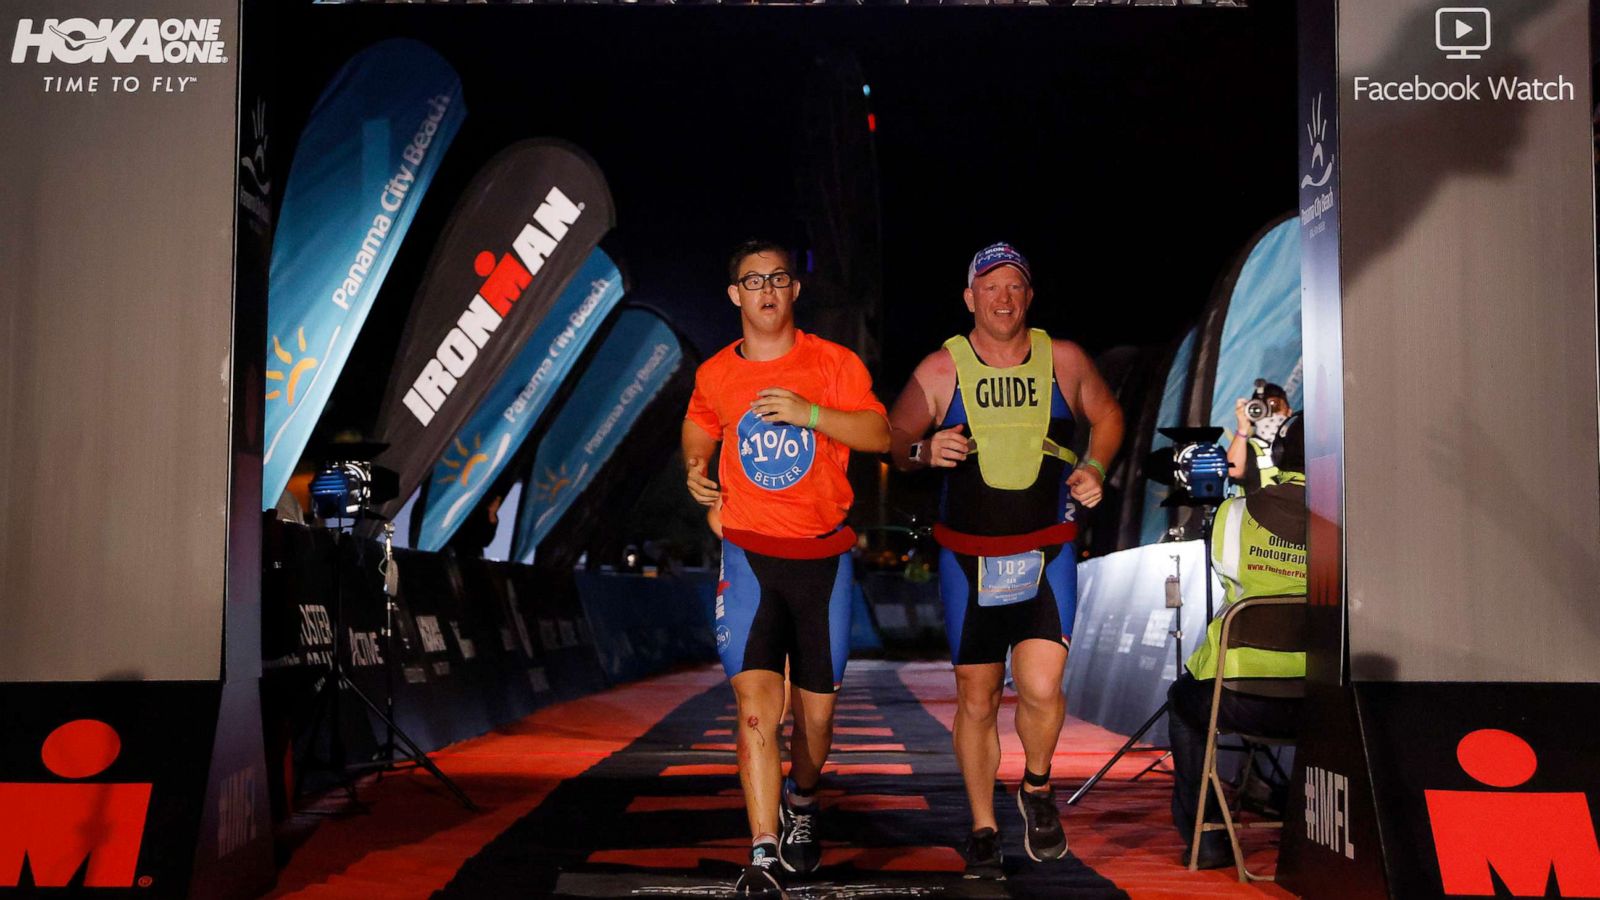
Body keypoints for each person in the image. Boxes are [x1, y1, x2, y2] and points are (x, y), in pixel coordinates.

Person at [888, 242, 1124, 876]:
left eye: (1015, 287)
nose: (1003, 298)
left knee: (1044, 689)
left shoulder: (1065, 359)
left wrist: (1096, 466)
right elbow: (892, 439)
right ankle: (985, 826)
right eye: (990, 287)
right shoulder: (942, 368)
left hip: (1047, 552)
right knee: (978, 697)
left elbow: (1107, 417)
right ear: (970, 298)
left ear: (1029, 297)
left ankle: (1038, 789)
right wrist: (921, 452)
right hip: (969, 560)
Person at [682, 238, 890, 897]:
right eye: (753, 281)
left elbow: (881, 436)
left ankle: (803, 800)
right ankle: (763, 853)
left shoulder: (834, 364)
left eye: (778, 278)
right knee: (754, 714)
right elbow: (699, 423)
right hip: (748, 557)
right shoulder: (716, 373)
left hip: (822, 561)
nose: (767, 290)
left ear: (794, 290)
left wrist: (812, 415)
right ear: (734, 295)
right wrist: (695, 466)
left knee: (816, 721)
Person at [1167, 412, 1307, 869]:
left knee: (1182, 702)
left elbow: (1228, 577)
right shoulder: (1353, 517)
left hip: (1237, 696)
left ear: (1280, 453)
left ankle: (1205, 840)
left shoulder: (1235, 513)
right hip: (1323, 703)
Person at [1226, 380, 1292, 493]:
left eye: (1276, 406)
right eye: (1264, 409)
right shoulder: (1249, 450)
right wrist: (1242, 429)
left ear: (1289, 412)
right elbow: (1233, 470)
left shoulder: (1300, 442)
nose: (1272, 415)